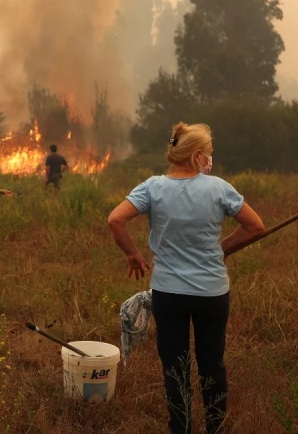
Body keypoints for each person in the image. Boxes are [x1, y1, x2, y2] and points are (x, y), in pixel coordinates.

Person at [107, 122, 266, 434]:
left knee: (175, 367)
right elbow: (256, 226)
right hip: (212, 293)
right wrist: (223, 248)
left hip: (169, 294)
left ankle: (180, 428)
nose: (210, 160)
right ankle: (215, 427)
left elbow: (115, 219)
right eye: (208, 154)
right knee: (212, 363)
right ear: (196, 155)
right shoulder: (219, 188)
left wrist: (132, 254)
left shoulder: (152, 187)